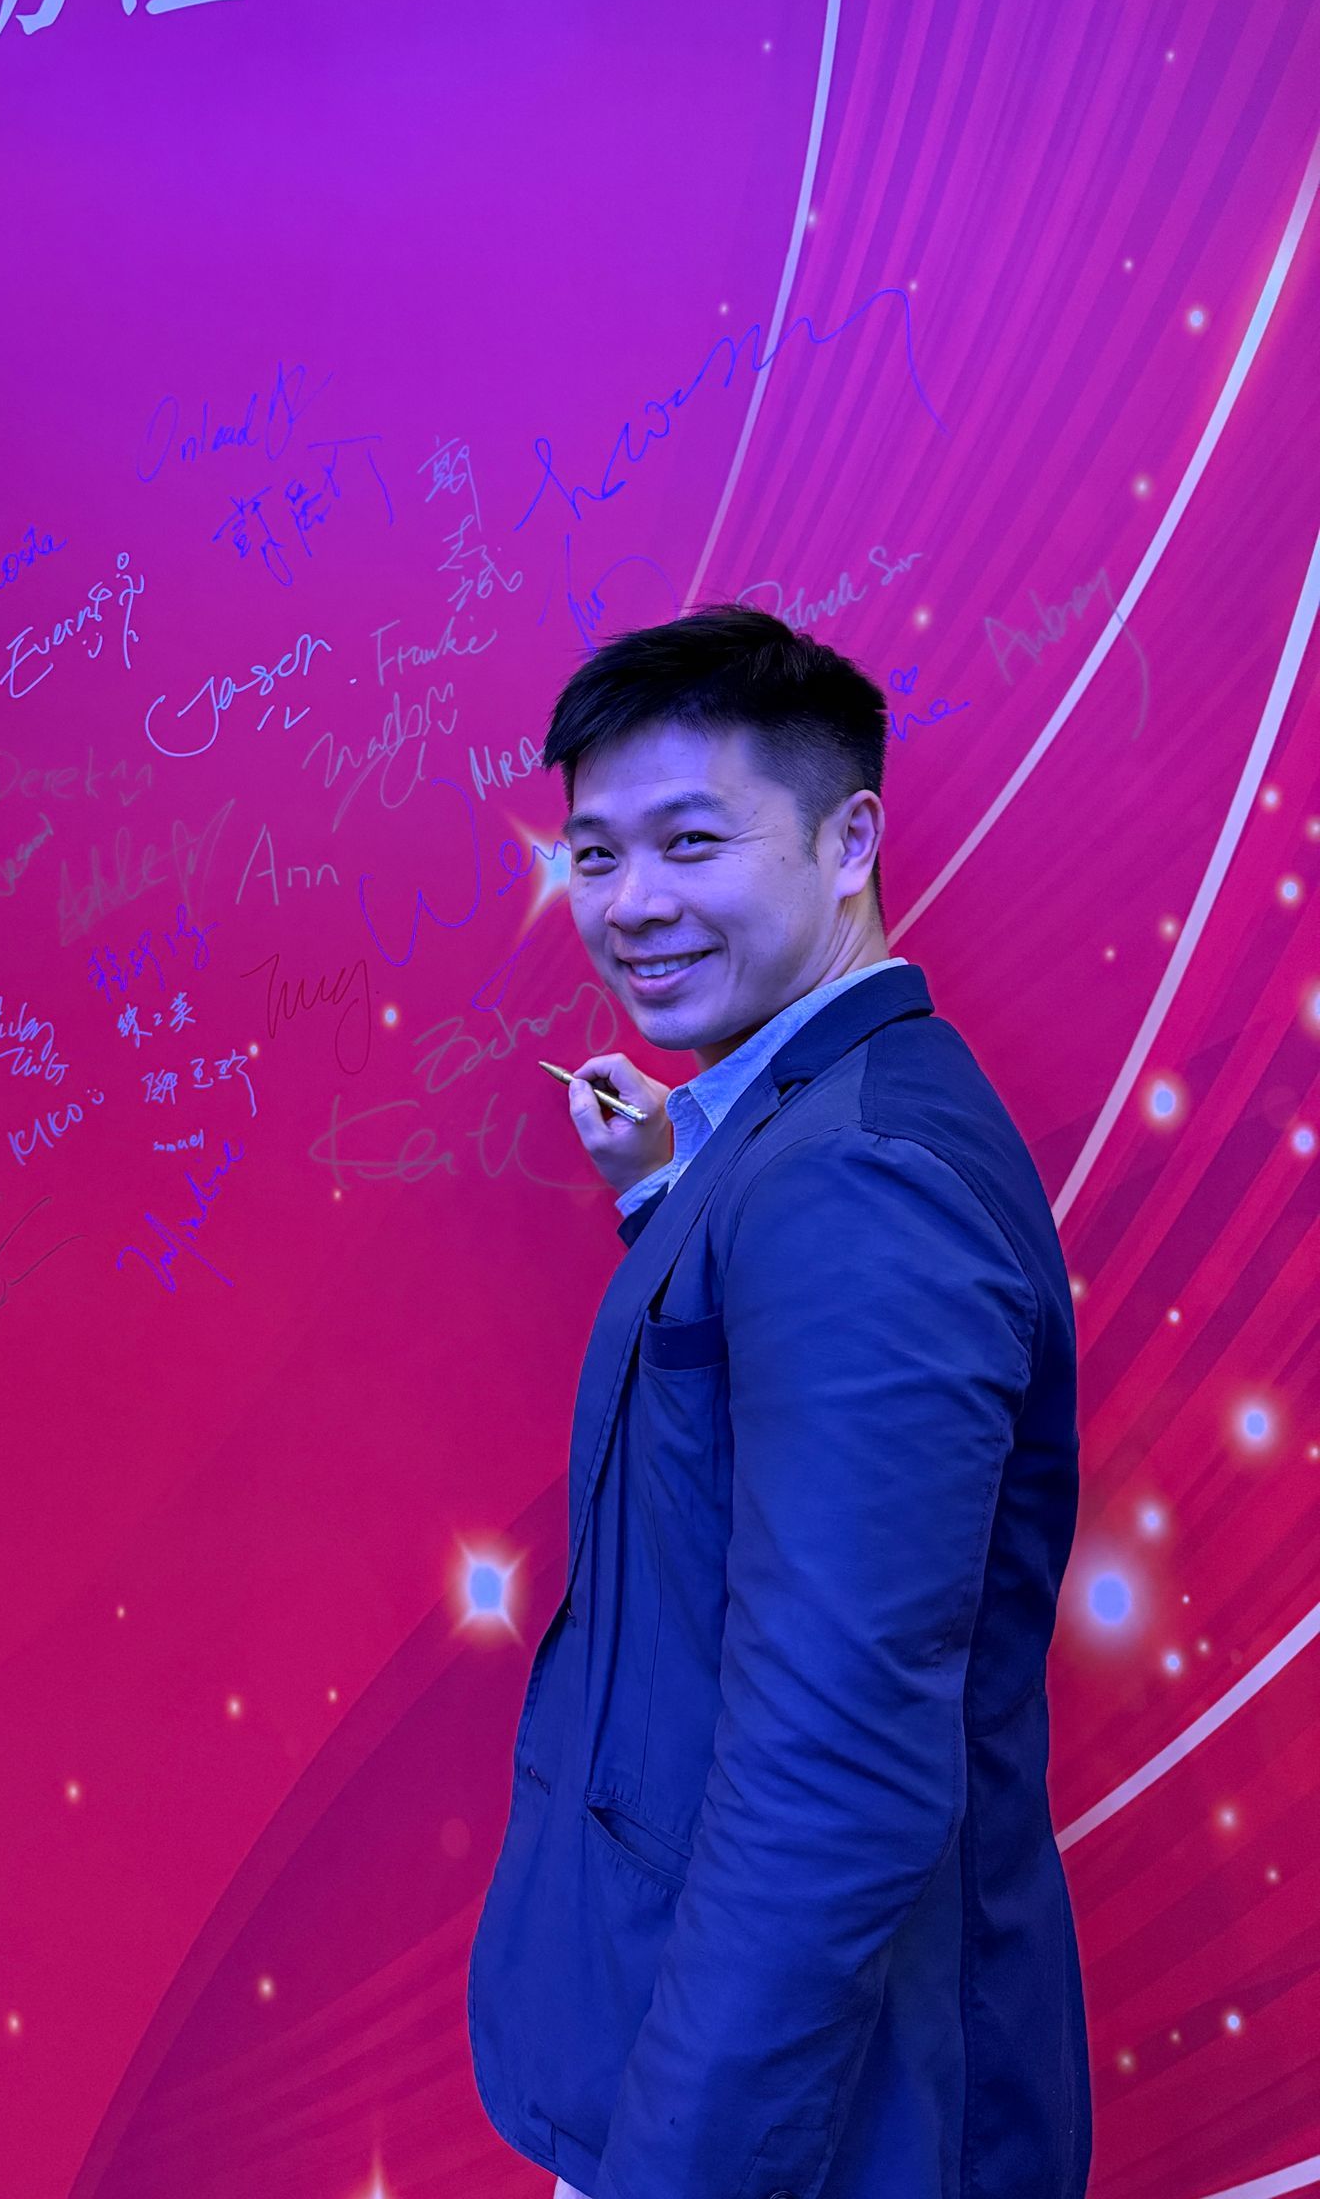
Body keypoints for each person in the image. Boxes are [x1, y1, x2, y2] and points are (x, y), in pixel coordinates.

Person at [466, 605, 1090, 2199]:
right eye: (596, 856)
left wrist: (677, 2174)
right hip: (724, 2072)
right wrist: (667, 1197)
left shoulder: (861, 1180)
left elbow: (838, 1768)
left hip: (800, 2128)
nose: (633, 904)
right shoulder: (788, 1138)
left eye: (692, 840)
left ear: (848, 838)